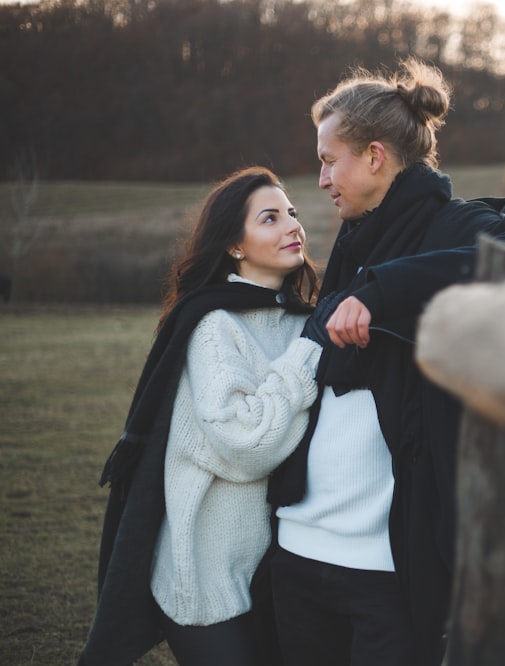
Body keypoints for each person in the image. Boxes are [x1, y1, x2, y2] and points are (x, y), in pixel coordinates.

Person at [267, 57, 505, 665]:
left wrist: (383, 290)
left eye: (327, 158)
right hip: (297, 550)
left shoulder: (454, 223)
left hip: (386, 567)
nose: (320, 179)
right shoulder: (354, 238)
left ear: (374, 157)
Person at [78, 166, 328, 666]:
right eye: (270, 218)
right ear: (235, 244)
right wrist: (306, 359)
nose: (292, 226)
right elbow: (246, 442)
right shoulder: (215, 325)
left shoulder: (302, 319)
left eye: (293, 214)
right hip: (207, 579)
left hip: (278, 571)